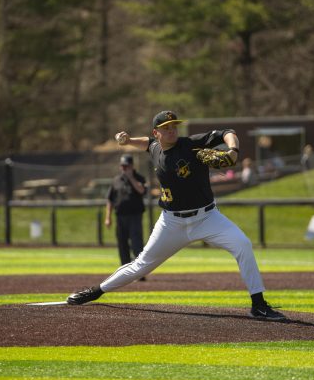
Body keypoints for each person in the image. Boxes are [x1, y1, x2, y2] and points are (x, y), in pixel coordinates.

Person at [67, 110, 285, 320]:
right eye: (166, 128)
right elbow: (147, 144)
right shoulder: (155, 149)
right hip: (171, 222)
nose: (172, 130)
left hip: (208, 217)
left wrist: (233, 150)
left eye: (174, 126)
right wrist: (128, 140)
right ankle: (95, 292)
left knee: (243, 244)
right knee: (141, 264)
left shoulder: (190, 145)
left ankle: (258, 305)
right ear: (156, 133)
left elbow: (226, 132)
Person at [105, 154, 146, 270]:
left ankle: (139, 271)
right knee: (122, 244)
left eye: (126, 166)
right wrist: (108, 217)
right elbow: (110, 200)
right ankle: (124, 271)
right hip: (120, 217)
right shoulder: (116, 180)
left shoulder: (139, 178)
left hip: (135, 216)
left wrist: (131, 178)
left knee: (136, 244)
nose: (124, 169)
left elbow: (141, 190)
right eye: (122, 166)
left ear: (132, 166)